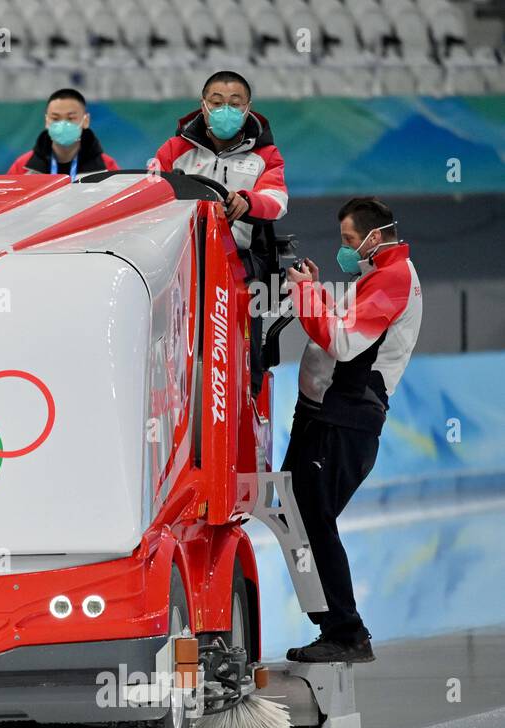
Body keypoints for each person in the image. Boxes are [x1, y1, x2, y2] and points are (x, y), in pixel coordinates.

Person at [281, 197, 423, 664]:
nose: (344, 249)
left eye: (348, 240)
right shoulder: (376, 276)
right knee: (300, 514)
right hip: (326, 414)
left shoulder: (393, 280)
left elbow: (342, 343)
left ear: (374, 236)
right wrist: (315, 289)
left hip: (345, 420)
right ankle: (337, 627)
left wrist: (305, 293)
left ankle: (347, 633)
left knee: (314, 520)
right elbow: (341, 324)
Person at [153, 70, 288, 282]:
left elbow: (277, 200)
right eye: (216, 103)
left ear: (247, 108)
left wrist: (247, 202)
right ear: (203, 106)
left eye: (235, 105)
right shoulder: (173, 150)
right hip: (180, 254)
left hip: (239, 258)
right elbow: (151, 194)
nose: (225, 111)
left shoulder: (266, 154)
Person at [7, 88, 118, 178]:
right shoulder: (23, 167)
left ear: (85, 121)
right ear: (46, 121)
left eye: (70, 118)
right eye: (55, 118)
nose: (63, 124)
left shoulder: (106, 166)